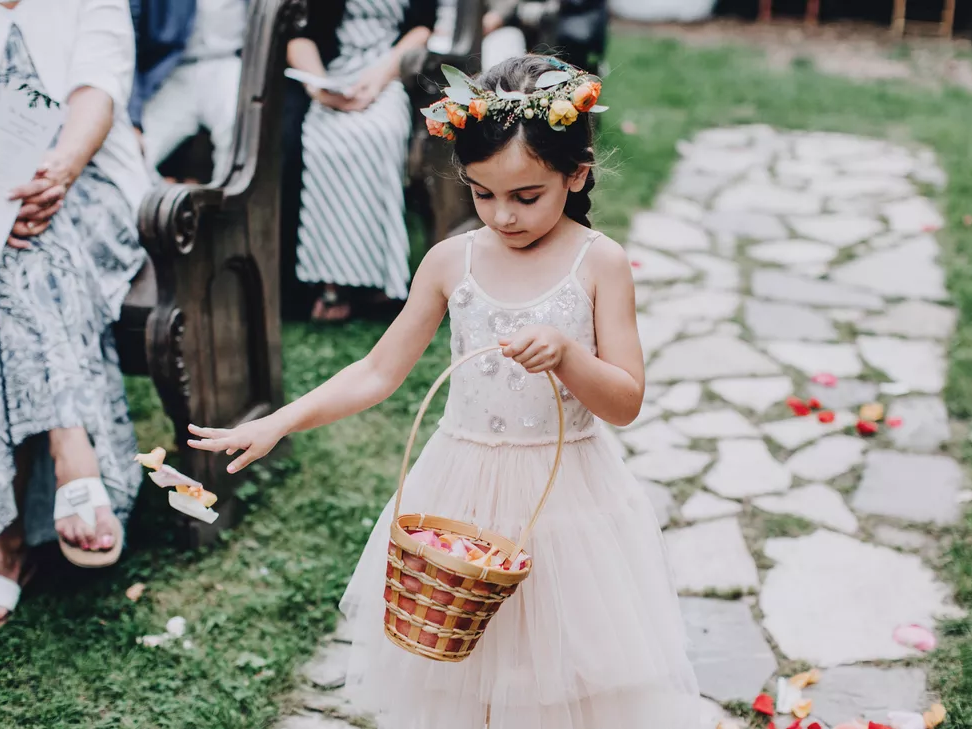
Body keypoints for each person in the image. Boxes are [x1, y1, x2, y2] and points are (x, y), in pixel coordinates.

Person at [187, 55, 700, 728]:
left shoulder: (597, 263)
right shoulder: (451, 260)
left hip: (564, 497)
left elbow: (625, 400)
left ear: (576, 175)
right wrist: (280, 419)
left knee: (563, 681)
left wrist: (570, 356)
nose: (502, 216)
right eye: (482, 194)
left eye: (526, 196)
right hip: (458, 498)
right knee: (464, 677)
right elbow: (377, 371)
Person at [0, 0, 148, 625]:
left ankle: (8, 542)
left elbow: (98, 90)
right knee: (18, 248)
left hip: (89, 185)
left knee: (26, 249)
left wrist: (56, 171)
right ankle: (75, 449)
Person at [285, 0, 436, 323]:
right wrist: (318, 87)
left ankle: (379, 279)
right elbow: (298, 34)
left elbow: (422, 28)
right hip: (330, 71)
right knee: (322, 142)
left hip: (388, 70)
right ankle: (331, 283)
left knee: (381, 133)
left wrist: (379, 78)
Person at [128, 0, 247, 182]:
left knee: (239, 135)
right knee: (135, 149)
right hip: (169, 69)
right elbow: (129, 37)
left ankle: (226, 206)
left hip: (228, 61)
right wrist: (133, 119)